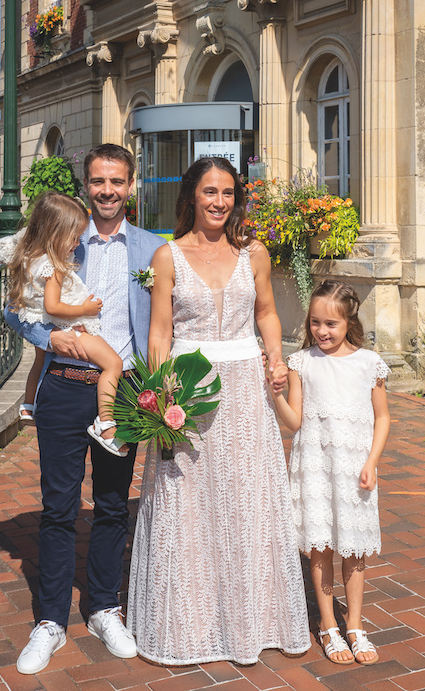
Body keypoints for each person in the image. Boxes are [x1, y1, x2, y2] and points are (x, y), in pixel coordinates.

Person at [126, 156, 311, 665]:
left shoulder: (255, 253)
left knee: (246, 499)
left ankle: (255, 619)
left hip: (248, 390)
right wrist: (160, 396)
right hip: (188, 393)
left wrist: (275, 359)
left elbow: (268, 313)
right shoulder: (168, 256)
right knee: (190, 503)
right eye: (210, 192)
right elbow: (160, 332)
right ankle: (191, 620)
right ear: (191, 196)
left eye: (227, 193)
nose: (218, 202)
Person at [3, 144, 164, 675]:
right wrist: (49, 334)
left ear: (131, 184)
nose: (108, 191)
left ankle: (101, 608)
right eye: (98, 182)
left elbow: (168, 318)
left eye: (117, 181)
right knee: (58, 508)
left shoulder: (150, 249)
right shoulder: (62, 241)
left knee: (115, 504)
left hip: (123, 389)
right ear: (87, 185)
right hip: (65, 385)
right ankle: (50, 620)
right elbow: (17, 309)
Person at [269, 279, 390, 666]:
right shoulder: (302, 363)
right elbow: (294, 421)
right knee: (320, 548)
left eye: (331, 324)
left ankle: (354, 625)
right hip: (316, 469)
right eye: (316, 322)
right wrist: (274, 394)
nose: (322, 331)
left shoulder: (369, 363)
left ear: (348, 322)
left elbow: (383, 417)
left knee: (353, 552)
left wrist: (372, 461)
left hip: (356, 470)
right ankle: (328, 625)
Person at [0, 192, 127, 456]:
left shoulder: (30, 257)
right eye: (74, 238)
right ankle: (106, 422)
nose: (77, 244)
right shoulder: (51, 267)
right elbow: (53, 307)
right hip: (69, 328)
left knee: (38, 362)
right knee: (114, 363)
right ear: (55, 234)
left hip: (46, 323)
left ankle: (28, 406)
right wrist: (85, 309)